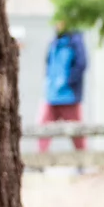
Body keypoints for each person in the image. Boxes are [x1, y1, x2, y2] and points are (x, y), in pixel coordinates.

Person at [38, 25, 88, 153]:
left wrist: (68, 82)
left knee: (77, 132)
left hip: (69, 95)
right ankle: (40, 161)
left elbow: (81, 64)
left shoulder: (75, 41)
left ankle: (82, 162)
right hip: (52, 94)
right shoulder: (54, 42)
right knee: (44, 129)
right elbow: (48, 64)